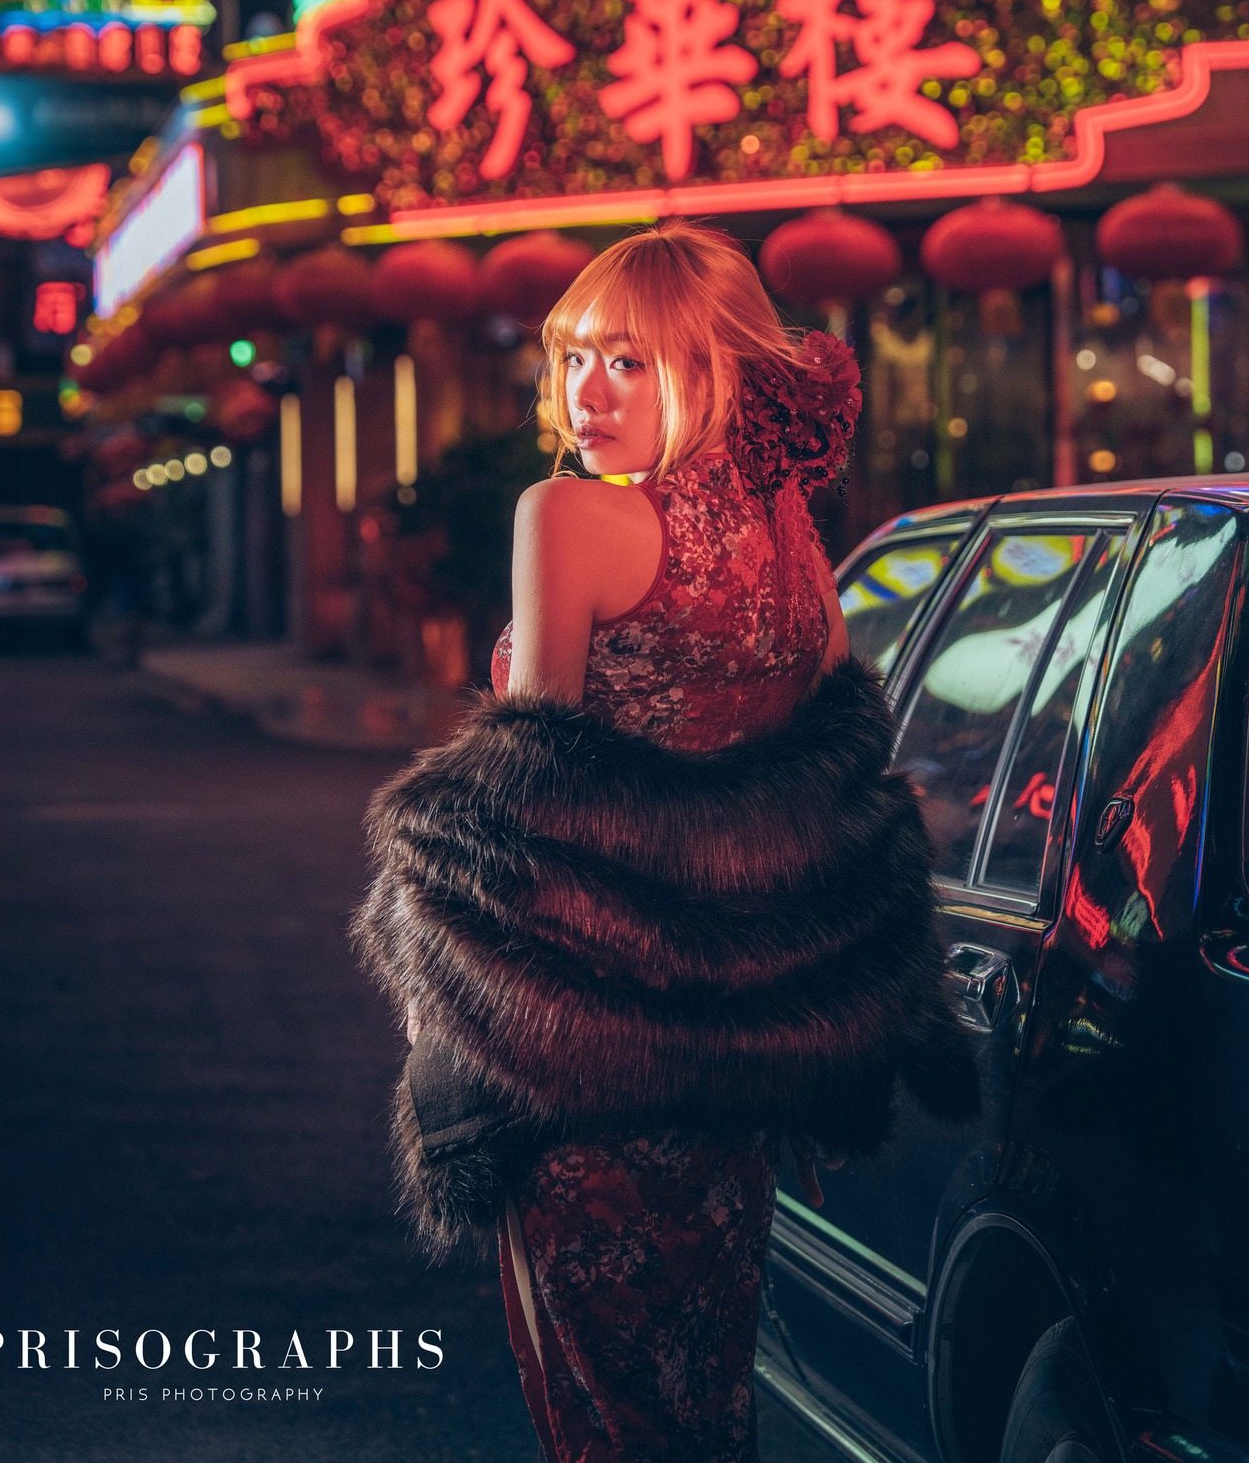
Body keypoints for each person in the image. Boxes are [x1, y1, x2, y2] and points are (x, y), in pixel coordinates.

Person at [350, 219, 980, 1463]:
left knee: (601, 1415)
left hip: (584, 1053)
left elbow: (526, 801)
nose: (587, 392)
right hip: (731, 1065)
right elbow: (836, 779)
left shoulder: (569, 518)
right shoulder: (794, 540)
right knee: (702, 1399)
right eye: (576, 355)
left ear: (717, 368)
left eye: (631, 362)